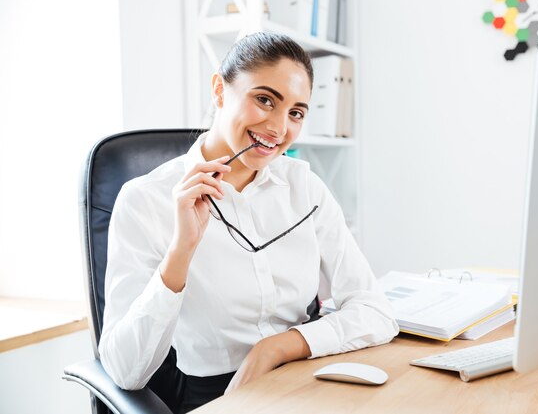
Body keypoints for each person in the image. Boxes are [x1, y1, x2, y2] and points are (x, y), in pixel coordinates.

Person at [99, 31, 399, 413]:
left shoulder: (304, 187)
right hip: (216, 397)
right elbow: (125, 371)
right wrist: (181, 252)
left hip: (308, 375)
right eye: (264, 100)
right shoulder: (145, 199)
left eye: (295, 113)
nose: (278, 127)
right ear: (220, 91)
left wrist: (274, 347)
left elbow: (375, 311)